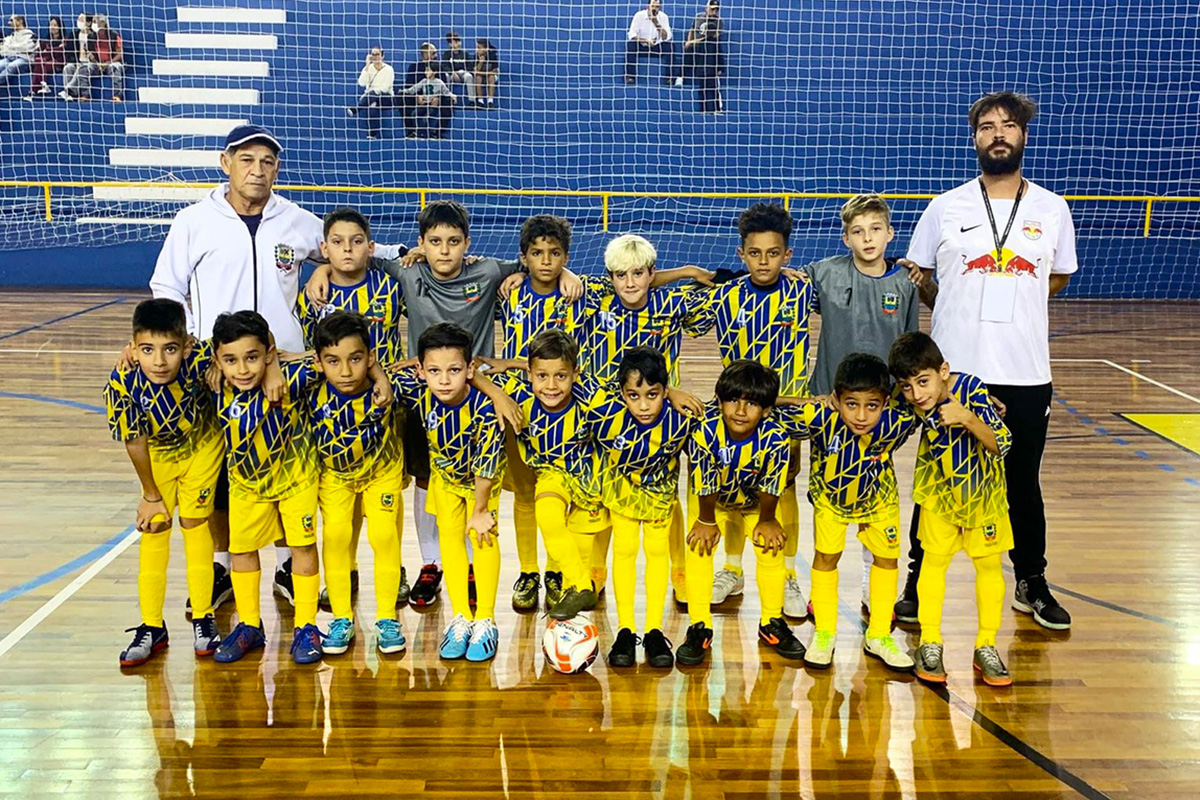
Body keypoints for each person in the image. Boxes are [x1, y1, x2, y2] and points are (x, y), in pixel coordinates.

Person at [305, 200, 583, 610]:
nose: (445, 250)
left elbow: (536, 264)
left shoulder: (487, 272)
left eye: (454, 242)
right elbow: (366, 256)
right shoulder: (407, 271)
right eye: (434, 242)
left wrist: (570, 271)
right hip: (423, 397)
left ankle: (471, 564)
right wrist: (322, 269)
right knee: (424, 481)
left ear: (467, 244)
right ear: (421, 244)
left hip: (475, 398)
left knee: (473, 483)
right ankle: (431, 563)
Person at [902, 91, 1078, 631]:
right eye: (986, 126)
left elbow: (1058, 277)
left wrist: (1012, 303)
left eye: (1007, 125)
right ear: (974, 137)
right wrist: (958, 303)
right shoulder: (945, 207)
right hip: (955, 372)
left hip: (1026, 372)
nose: (997, 133)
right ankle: (915, 578)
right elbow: (921, 277)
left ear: (1023, 135)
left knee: (1022, 478)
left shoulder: (1052, 209)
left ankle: (1031, 580)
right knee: (936, 476)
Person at [688, 203, 815, 618]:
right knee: (733, 488)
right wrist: (688, 272)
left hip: (788, 410)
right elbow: (674, 315)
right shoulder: (725, 296)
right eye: (755, 253)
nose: (764, 262)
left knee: (785, 487)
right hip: (737, 410)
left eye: (773, 253)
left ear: (788, 255)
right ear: (741, 254)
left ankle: (790, 573)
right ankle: (732, 568)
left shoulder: (803, 291)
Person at [800, 193, 919, 616]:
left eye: (875, 229)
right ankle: (821, 587)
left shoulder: (905, 283)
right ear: (845, 237)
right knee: (825, 496)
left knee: (876, 498)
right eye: (857, 231)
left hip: (879, 414)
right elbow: (783, 283)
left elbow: (909, 348)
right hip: (831, 409)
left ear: (890, 233)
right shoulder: (823, 273)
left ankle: (874, 584)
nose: (867, 238)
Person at [773, 354, 918, 672]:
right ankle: (825, 633)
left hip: (880, 501)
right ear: (836, 398)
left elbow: (936, 396)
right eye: (851, 404)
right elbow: (765, 403)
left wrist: (981, 401)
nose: (862, 415)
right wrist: (805, 399)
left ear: (885, 403)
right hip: (830, 503)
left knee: (887, 561)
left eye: (872, 406)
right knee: (826, 559)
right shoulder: (817, 415)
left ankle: (879, 634)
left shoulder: (899, 419)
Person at [888, 332, 1014, 687]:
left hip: (984, 497)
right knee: (933, 564)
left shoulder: (972, 389)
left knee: (989, 567)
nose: (917, 393)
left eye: (923, 382)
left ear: (944, 370)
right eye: (907, 386)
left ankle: (986, 645)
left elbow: (1002, 443)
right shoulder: (909, 400)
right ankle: (930, 642)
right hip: (937, 497)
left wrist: (968, 418)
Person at [105, 299, 224, 667]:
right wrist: (150, 495)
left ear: (187, 345)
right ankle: (152, 626)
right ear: (133, 347)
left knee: (193, 523)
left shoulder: (203, 358)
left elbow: (253, 342)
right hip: (157, 456)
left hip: (202, 449)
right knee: (155, 527)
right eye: (147, 350)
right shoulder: (122, 381)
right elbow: (134, 439)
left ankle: (204, 617)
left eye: (169, 349)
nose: (158, 361)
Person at [206, 311, 325, 665]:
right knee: (241, 551)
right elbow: (177, 348)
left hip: (296, 479)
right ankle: (248, 625)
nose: (242, 369)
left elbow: (322, 354)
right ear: (217, 360)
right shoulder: (212, 380)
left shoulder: (293, 378)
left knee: (302, 545)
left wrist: (274, 366)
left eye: (253, 357)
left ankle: (306, 625)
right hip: (245, 485)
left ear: (268, 352)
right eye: (231, 360)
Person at [677, 360, 806, 666]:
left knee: (771, 547)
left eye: (751, 404)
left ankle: (771, 622)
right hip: (712, 502)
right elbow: (703, 478)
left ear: (765, 410)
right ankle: (699, 625)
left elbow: (774, 483)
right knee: (699, 546)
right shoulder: (705, 429)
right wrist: (706, 520)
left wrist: (767, 519)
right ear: (720, 401)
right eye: (733, 400)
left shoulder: (776, 438)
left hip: (754, 504)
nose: (740, 410)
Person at [392, 323, 507, 662]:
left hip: (480, 485)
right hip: (444, 480)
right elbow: (375, 370)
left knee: (483, 539)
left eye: (454, 370)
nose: (444, 380)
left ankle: (485, 618)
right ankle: (461, 618)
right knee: (451, 543)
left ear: (470, 370)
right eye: (434, 370)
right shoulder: (418, 390)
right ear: (420, 370)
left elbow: (488, 459)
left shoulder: (486, 408)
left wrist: (481, 509)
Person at [308, 311, 407, 655]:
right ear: (319, 362)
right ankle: (340, 617)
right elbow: (273, 361)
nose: (346, 372)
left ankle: (387, 617)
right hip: (335, 476)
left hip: (383, 472)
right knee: (335, 535)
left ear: (371, 357)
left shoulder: (390, 388)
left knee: (384, 535)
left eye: (356, 359)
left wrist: (381, 374)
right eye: (333, 361)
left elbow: (438, 372)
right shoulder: (307, 388)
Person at [592, 347, 695, 669]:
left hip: (660, 500)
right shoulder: (604, 413)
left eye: (653, 394)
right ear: (621, 392)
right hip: (621, 495)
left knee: (656, 554)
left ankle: (653, 630)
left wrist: (674, 394)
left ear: (665, 391)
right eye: (633, 395)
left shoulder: (681, 419)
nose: (643, 405)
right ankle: (625, 630)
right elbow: (581, 383)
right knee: (623, 551)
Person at [493, 329, 605, 620]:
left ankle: (562, 580)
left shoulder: (590, 393)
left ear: (576, 374)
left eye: (561, 376)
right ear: (530, 374)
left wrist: (671, 392)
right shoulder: (517, 392)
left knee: (576, 548)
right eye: (542, 376)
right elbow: (472, 374)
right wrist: (497, 392)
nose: (551, 386)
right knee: (546, 515)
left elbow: (635, 390)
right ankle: (577, 586)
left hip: (587, 483)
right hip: (550, 476)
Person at [625, 0, 678, 86]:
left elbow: (667, 37)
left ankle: (670, 78)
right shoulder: (639, 16)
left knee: (671, 47)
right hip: (642, 44)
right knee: (631, 46)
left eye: (657, 7)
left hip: (657, 46)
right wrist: (645, 40)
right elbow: (632, 35)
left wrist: (656, 23)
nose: (654, 9)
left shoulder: (663, 17)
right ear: (648, 6)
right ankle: (630, 77)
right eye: (653, 6)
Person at [683, 0, 723, 112]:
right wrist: (689, 41)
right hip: (697, 46)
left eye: (716, 9)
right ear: (707, 8)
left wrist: (694, 41)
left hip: (708, 45)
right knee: (688, 49)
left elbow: (714, 37)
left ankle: (716, 109)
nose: (714, 11)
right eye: (712, 8)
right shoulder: (698, 17)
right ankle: (681, 76)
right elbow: (692, 30)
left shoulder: (719, 21)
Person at [347, 47, 393, 140]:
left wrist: (375, 92)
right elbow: (361, 83)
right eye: (373, 54)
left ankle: (357, 109)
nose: (375, 57)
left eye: (377, 54)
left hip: (386, 97)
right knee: (373, 105)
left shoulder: (389, 69)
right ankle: (373, 134)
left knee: (373, 94)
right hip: (371, 98)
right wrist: (367, 66)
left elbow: (386, 87)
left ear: (382, 56)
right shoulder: (368, 68)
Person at [397, 64, 452, 139]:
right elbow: (413, 89)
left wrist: (453, 96)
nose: (426, 72)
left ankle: (425, 134)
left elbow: (446, 92)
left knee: (426, 118)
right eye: (426, 70)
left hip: (432, 105)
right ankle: (418, 132)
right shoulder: (423, 81)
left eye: (428, 70)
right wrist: (404, 91)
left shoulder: (439, 82)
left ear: (434, 72)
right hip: (424, 103)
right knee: (414, 114)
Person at [78, 13, 123, 102]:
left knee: (115, 67)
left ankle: (117, 96)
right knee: (83, 68)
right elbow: (91, 54)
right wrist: (93, 60)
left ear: (103, 23)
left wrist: (108, 63)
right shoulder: (91, 36)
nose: (93, 24)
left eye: (95, 21)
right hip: (97, 64)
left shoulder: (114, 35)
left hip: (111, 62)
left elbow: (120, 54)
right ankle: (85, 95)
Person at [24, 15, 66, 98]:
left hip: (58, 63)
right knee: (39, 60)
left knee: (40, 62)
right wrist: (52, 51)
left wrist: (48, 51)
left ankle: (33, 91)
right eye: (51, 25)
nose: (52, 27)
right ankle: (42, 84)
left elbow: (61, 53)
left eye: (55, 25)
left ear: (60, 26)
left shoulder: (65, 40)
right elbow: (39, 54)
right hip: (45, 62)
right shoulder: (45, 41)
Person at [0, 14, 36, 89]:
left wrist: (11, 48)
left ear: (20, 21)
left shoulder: (31, 35)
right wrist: (18, 48)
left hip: (25, 60)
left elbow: (27, 48)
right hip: (9, 58)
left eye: (11, 20)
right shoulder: (11, 37)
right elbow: (3, 51)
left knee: (12, 66)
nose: (9, 23)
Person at [58, 12, 89, 100]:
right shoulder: (74, 34)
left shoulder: (93, 35)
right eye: (78, 20)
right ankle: (69, 96)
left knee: (82, 68)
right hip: (77, 61)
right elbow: (69, 51)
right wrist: (76, 61)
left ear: (89, 22)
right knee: (68, 67)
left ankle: (68, 90)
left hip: (90, 62)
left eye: (82, 20)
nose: (79, 22)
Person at [443, 31, 475, 104]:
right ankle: (448, 98)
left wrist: (465, 72)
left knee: (469, 76)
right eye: (456, 41)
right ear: (450, 44)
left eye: (459, 41)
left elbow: (469, 66)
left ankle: (472, 101)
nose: (458, 43)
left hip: (463, 73)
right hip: (452, 74)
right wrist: (452, 72)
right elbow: (444, 65)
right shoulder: (447, 54)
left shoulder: (465, 53)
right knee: (446, 76)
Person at [472, 38, 498, 108]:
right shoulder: (476, 56)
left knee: (491, 78)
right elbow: (475, 71)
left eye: (479, 48)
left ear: (486, 49)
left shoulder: (492, 56)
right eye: (476, 47)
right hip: (482, 75)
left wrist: (482, 73)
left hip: (490, 76)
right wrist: (480, 63)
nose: (477, 50)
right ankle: (480, 101)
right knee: (478, 78)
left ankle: (490, 101)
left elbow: (495, 71)